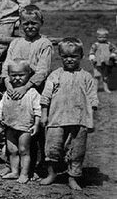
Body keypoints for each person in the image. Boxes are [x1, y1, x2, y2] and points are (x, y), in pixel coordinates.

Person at [0, 5, 52, 176]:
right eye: (26, 23)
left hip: (35, 91)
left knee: (35, 130)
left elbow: (43, 70)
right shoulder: (16, 43)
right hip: (14, 91)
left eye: (34, 23)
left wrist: (26, 87)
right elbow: (6, 65)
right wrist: (7, 83)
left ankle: (37, 166)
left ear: (41, 23)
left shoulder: (44, 44)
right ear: (20, 24)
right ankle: (11, 165)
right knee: (12, 127)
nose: (30, 27)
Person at [39, 38, 98, 191]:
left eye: (73, 56)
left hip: (79, 120)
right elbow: (45, 97)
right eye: (65, 56)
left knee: (77, 151)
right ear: (60, 56)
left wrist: (91, 120)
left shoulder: (86, 77)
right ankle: (52, 174)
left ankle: (73, 178)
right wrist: (44, 115)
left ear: (81, 56)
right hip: (56, 119)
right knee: (52, 149)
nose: (69, 59)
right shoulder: (55, 75)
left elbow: (92, 100)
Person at [0, 60, 41, 184]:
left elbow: (38, 109)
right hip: (10, 125)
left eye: (21, 75)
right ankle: (14, 171)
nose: (17, 78)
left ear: (28, 75)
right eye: (13, 75)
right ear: (9, 76)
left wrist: (36, 124)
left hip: (25, 126)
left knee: (23, 150)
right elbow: (2, 106)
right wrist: (0, 118)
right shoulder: (8, 92)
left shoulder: (32, 93)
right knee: (12, 150)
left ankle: (24, 174)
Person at [88, 27, 116, 93]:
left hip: (107, 62)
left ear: (107, 37)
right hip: (97, 63)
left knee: (105, 76)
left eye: (104, 37)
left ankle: (106, 88)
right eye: (100, 37)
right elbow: (91, 52)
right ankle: (95, 89)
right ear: (97, 37)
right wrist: (92, 57)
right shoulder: (95, 45)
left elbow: (114, 50)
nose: (102, 39)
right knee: (97, 76)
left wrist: (113, 55)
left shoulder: (109, 44)